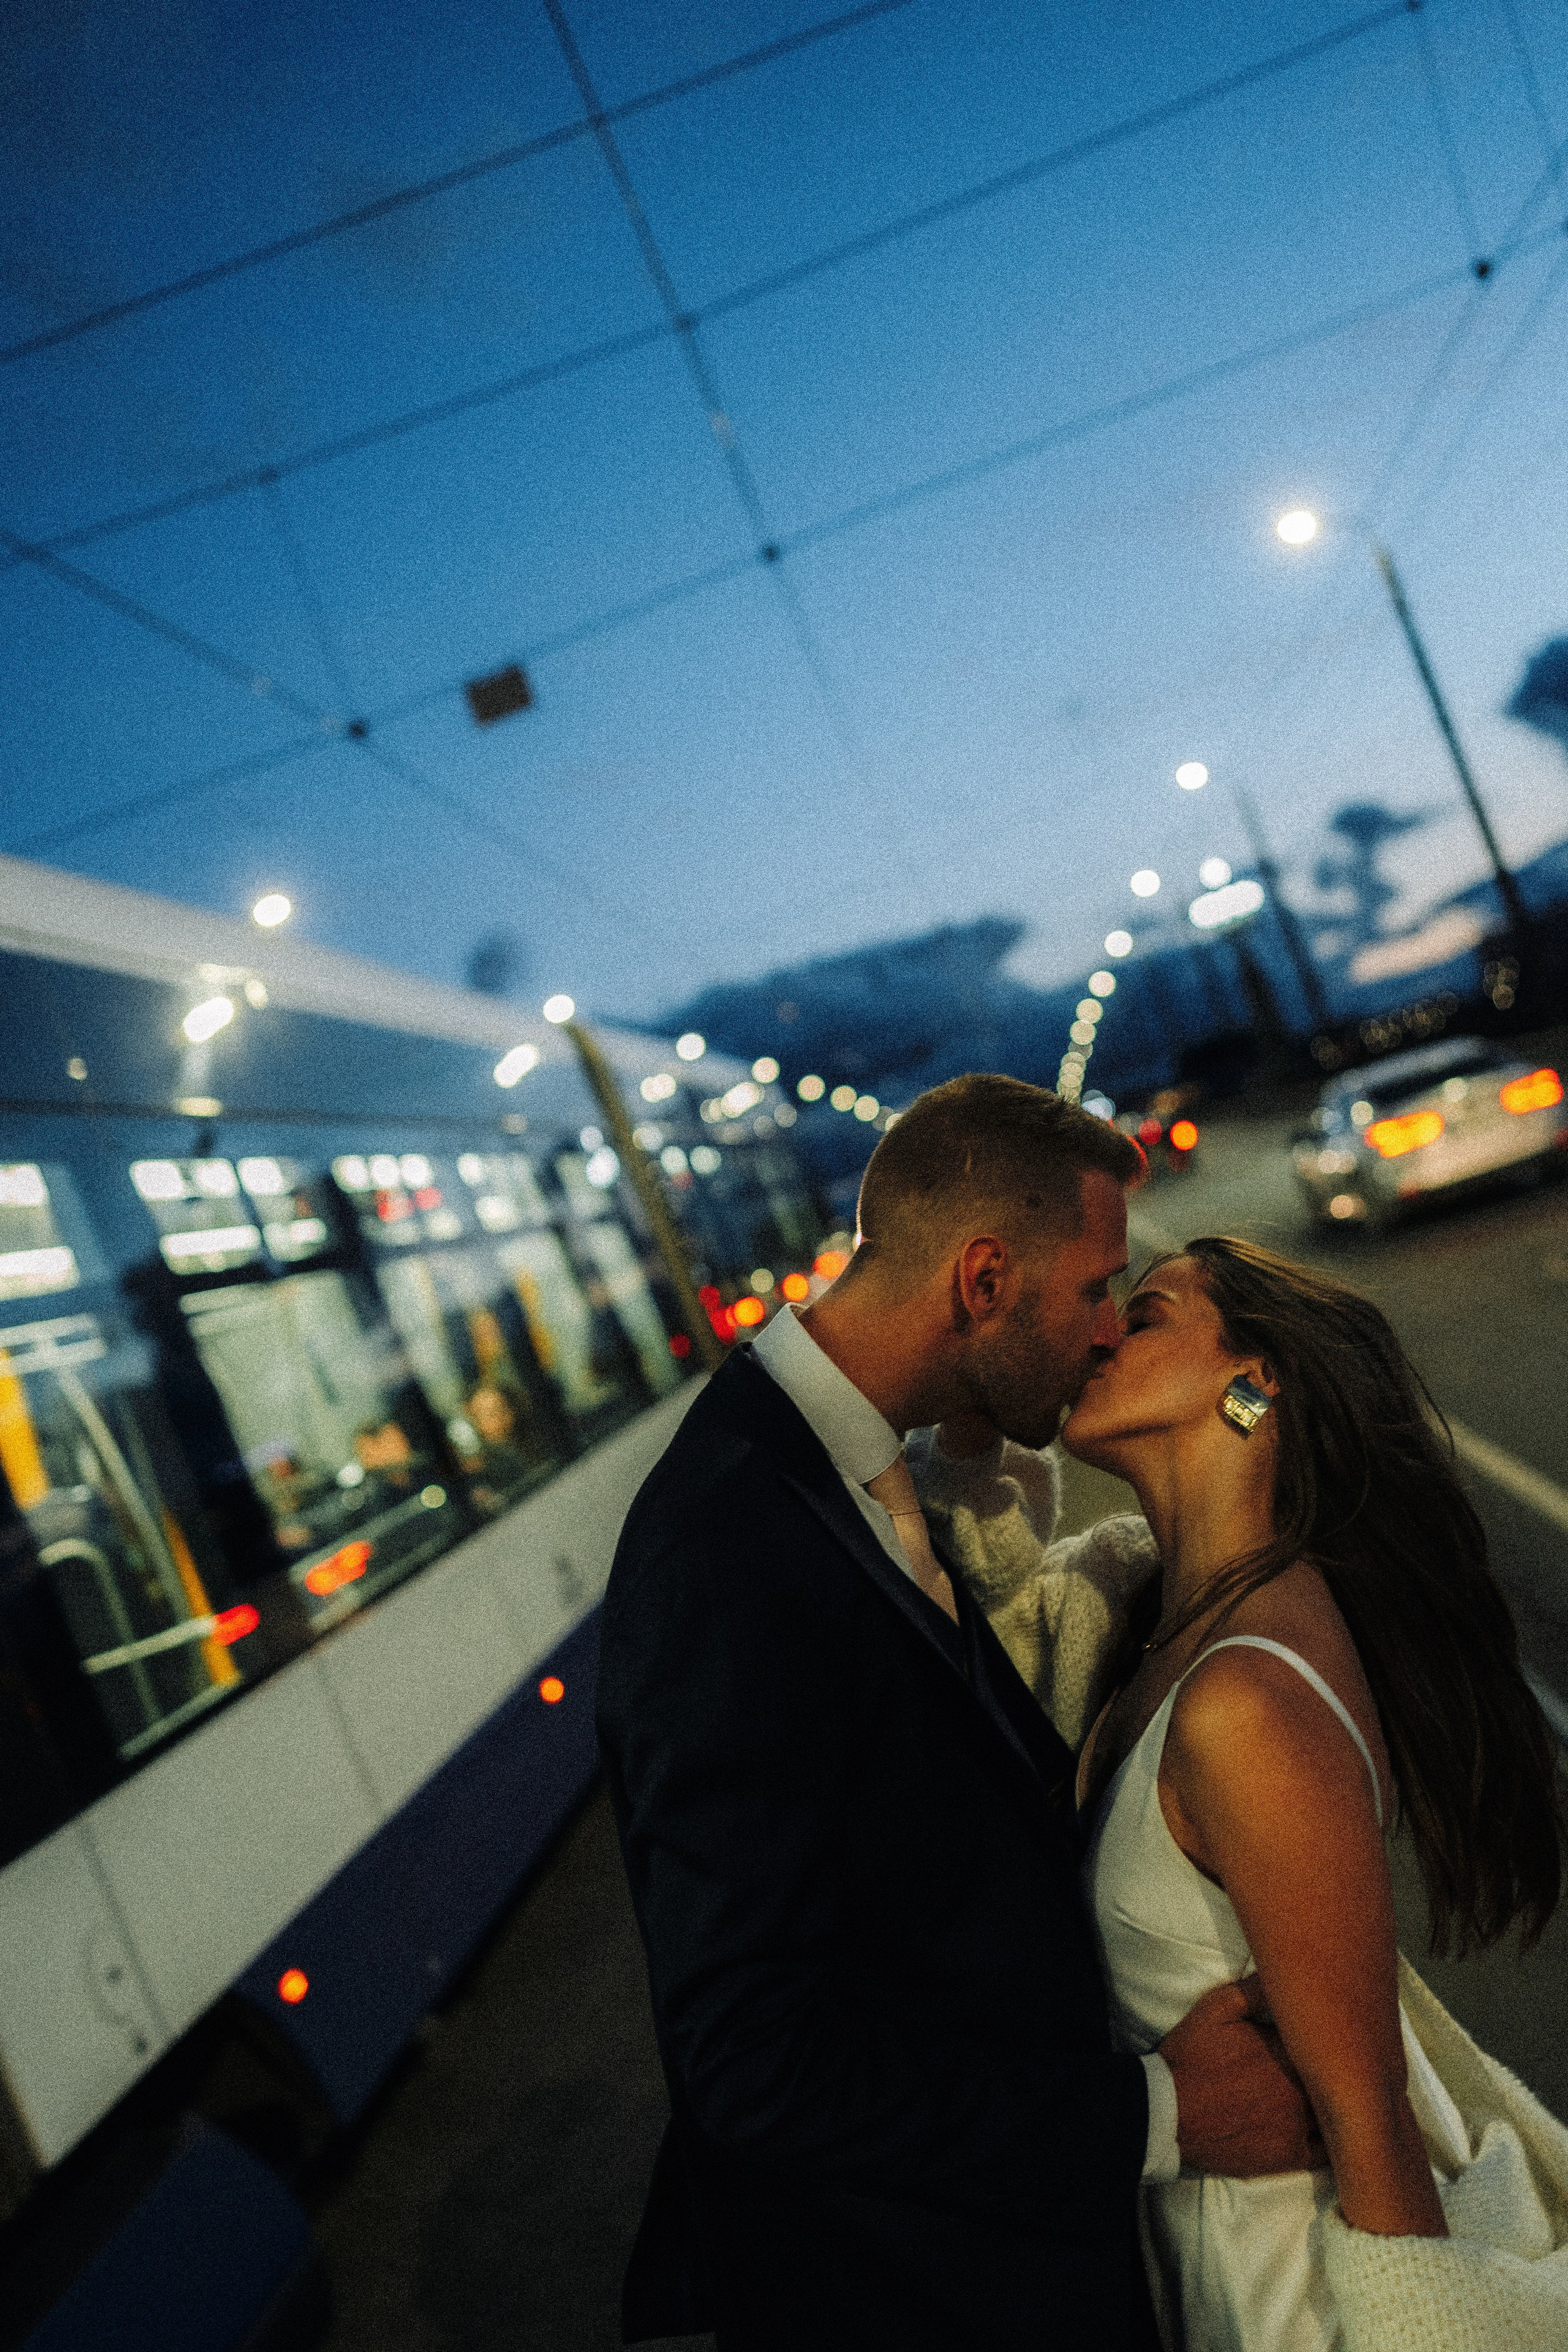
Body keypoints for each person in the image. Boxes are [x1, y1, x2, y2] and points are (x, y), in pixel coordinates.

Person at [597, 1079, 1324, 2352]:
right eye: (1095, 1288)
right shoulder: (722, 1555)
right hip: (922, 2294)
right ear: (983, 1279)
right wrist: (1157, 2114)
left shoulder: (860, 1464)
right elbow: (749, 2058)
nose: (1104, 1333)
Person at [929, 1233, 1564, 2349]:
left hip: (1298, 2295)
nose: (1106, 1328)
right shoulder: (1156, 1611)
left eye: (1153, 1310)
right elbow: (992, 1620)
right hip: (1209, 2260)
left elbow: (1369, 2123)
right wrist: (975, 1402)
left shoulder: (1246, 1702)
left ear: (1252, 1385)